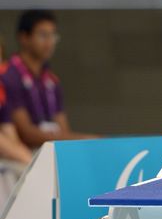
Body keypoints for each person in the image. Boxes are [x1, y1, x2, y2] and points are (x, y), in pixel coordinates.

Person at [0, 10, 96, 148]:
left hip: (51, 152)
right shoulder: (8, 76)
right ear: (24, 37)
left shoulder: (52, 80)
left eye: (53, 35)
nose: (49, 42)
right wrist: (84, 139)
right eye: (43, 35)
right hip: (25, 155)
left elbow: (63, 130)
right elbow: (26, 133)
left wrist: (81, 141)